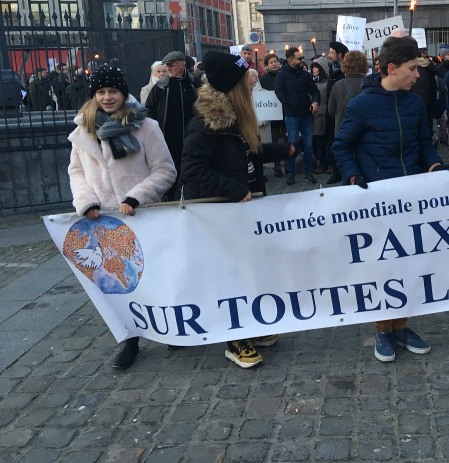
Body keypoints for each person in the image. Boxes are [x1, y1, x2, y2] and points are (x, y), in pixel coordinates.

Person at [332, 35, 449, 362]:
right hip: (376, 201)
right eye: (413, 69)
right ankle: (382, 330)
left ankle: (401, 326)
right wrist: (354, 176)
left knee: (408, 266)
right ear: (391, 68)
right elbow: (341, 147)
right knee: (382, 268)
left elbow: (424, 143)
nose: (418, 75)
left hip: (411, 198)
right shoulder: (361, 105)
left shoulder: (415, 103)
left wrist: (433, 165)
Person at [180, 51, 295, 368]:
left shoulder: (236, 116)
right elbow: (192, 171)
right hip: (217, 213)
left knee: (248, 269)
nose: (250, 88)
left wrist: (281, 151)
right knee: (229, 274)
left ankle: (250, 327)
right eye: (245, 83)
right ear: (233, 88)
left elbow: (246, 154)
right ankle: (235, 339)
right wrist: (236, 189)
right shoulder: (206, 123)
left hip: (239, 209)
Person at [67, 65, 176, 370]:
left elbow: (165, 170)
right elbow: (76, 173)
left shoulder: (146, 127)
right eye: (101, 92)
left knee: (153, 277)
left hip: (141, 216)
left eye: (112, 91)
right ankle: (129, 339)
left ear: (124, 93)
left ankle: (168, 327)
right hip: (105, 221)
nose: (107, 97)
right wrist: (86, 201)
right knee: (118, 282)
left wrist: (136, 196)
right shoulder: (82, 132)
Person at [145, 51, 199, 199]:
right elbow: (150, 110)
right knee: (171, 171)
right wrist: (155, 131)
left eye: (171, 65)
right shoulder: (161, 87)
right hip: (168, 139)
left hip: (192, 138)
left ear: (181, 65)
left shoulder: (195, 84)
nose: (168, 68)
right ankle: (170, 199)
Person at [275, 47, 320, 185]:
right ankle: (291, 173)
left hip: (306, 114)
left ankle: (308, 172)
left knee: (308, 145)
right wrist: (289, 103)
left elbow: (314, 90)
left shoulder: (305, 74)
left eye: (302, 58)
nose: (302, 60)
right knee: (292, 144)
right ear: (290, 60)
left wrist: (315, 101)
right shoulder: (282, 74)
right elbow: (279, 91)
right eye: (299, 58)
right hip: (292, 115)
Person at [326, 50, 368, 185]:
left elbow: (331, 110)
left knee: (348, 172)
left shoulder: (337, 85)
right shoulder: (369, 84)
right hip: (366, 133)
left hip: (342, 132)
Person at [260, 53, 286, 177]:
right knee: (274, 142)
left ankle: (288, 165)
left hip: (285, 113)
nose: (274, 64)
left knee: (287, 140)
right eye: (271, 62)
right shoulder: (264, 79)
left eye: (275, 61)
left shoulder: (284, 75)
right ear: (266, 66)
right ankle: (277, 167)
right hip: (272, 116)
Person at [310, 61, 329, 174]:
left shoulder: (326, 83)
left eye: (316, 67)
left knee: (324, 142)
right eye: (313, 67)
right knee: (317, 142)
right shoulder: (312, 83)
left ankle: (326, 164)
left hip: (323, 115)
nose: (313, 70)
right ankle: (320, 163)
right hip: (313, 116)